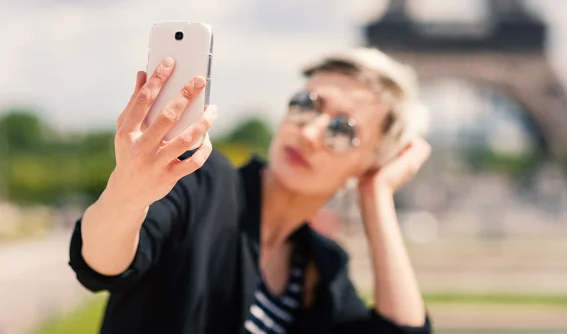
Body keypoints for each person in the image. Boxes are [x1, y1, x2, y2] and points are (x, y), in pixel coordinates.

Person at [69, 48, 433, 334]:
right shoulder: (200, 179)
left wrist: (376, 194)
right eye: (307, 105)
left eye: (342, 130)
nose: (308, 133)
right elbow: (100, 263)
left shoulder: (322, 266)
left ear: (369, 162)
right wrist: (128, 192)